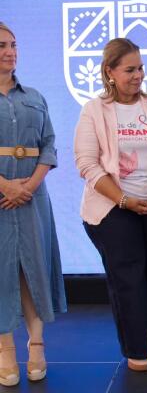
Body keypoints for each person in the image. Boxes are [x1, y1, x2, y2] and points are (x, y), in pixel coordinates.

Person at [74, 38, 147, 372]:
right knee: (129, 277)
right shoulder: (93, 110)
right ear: (109, 72)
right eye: (129, 70)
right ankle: (137, 350)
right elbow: (87, 164)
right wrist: (124, 199)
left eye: (140, 68)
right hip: (112, 206)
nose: (138, 75)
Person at [0, 23, 66, 387]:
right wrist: (5, 186)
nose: (10, 51)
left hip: (32, 196)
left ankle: (36, 344)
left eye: (13, 44)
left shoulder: (36, 96)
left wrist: (29, 185)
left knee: (33, 269)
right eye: (1, 46)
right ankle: (5, 349)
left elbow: (49, 145)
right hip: (1, 195)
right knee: (1, 271)